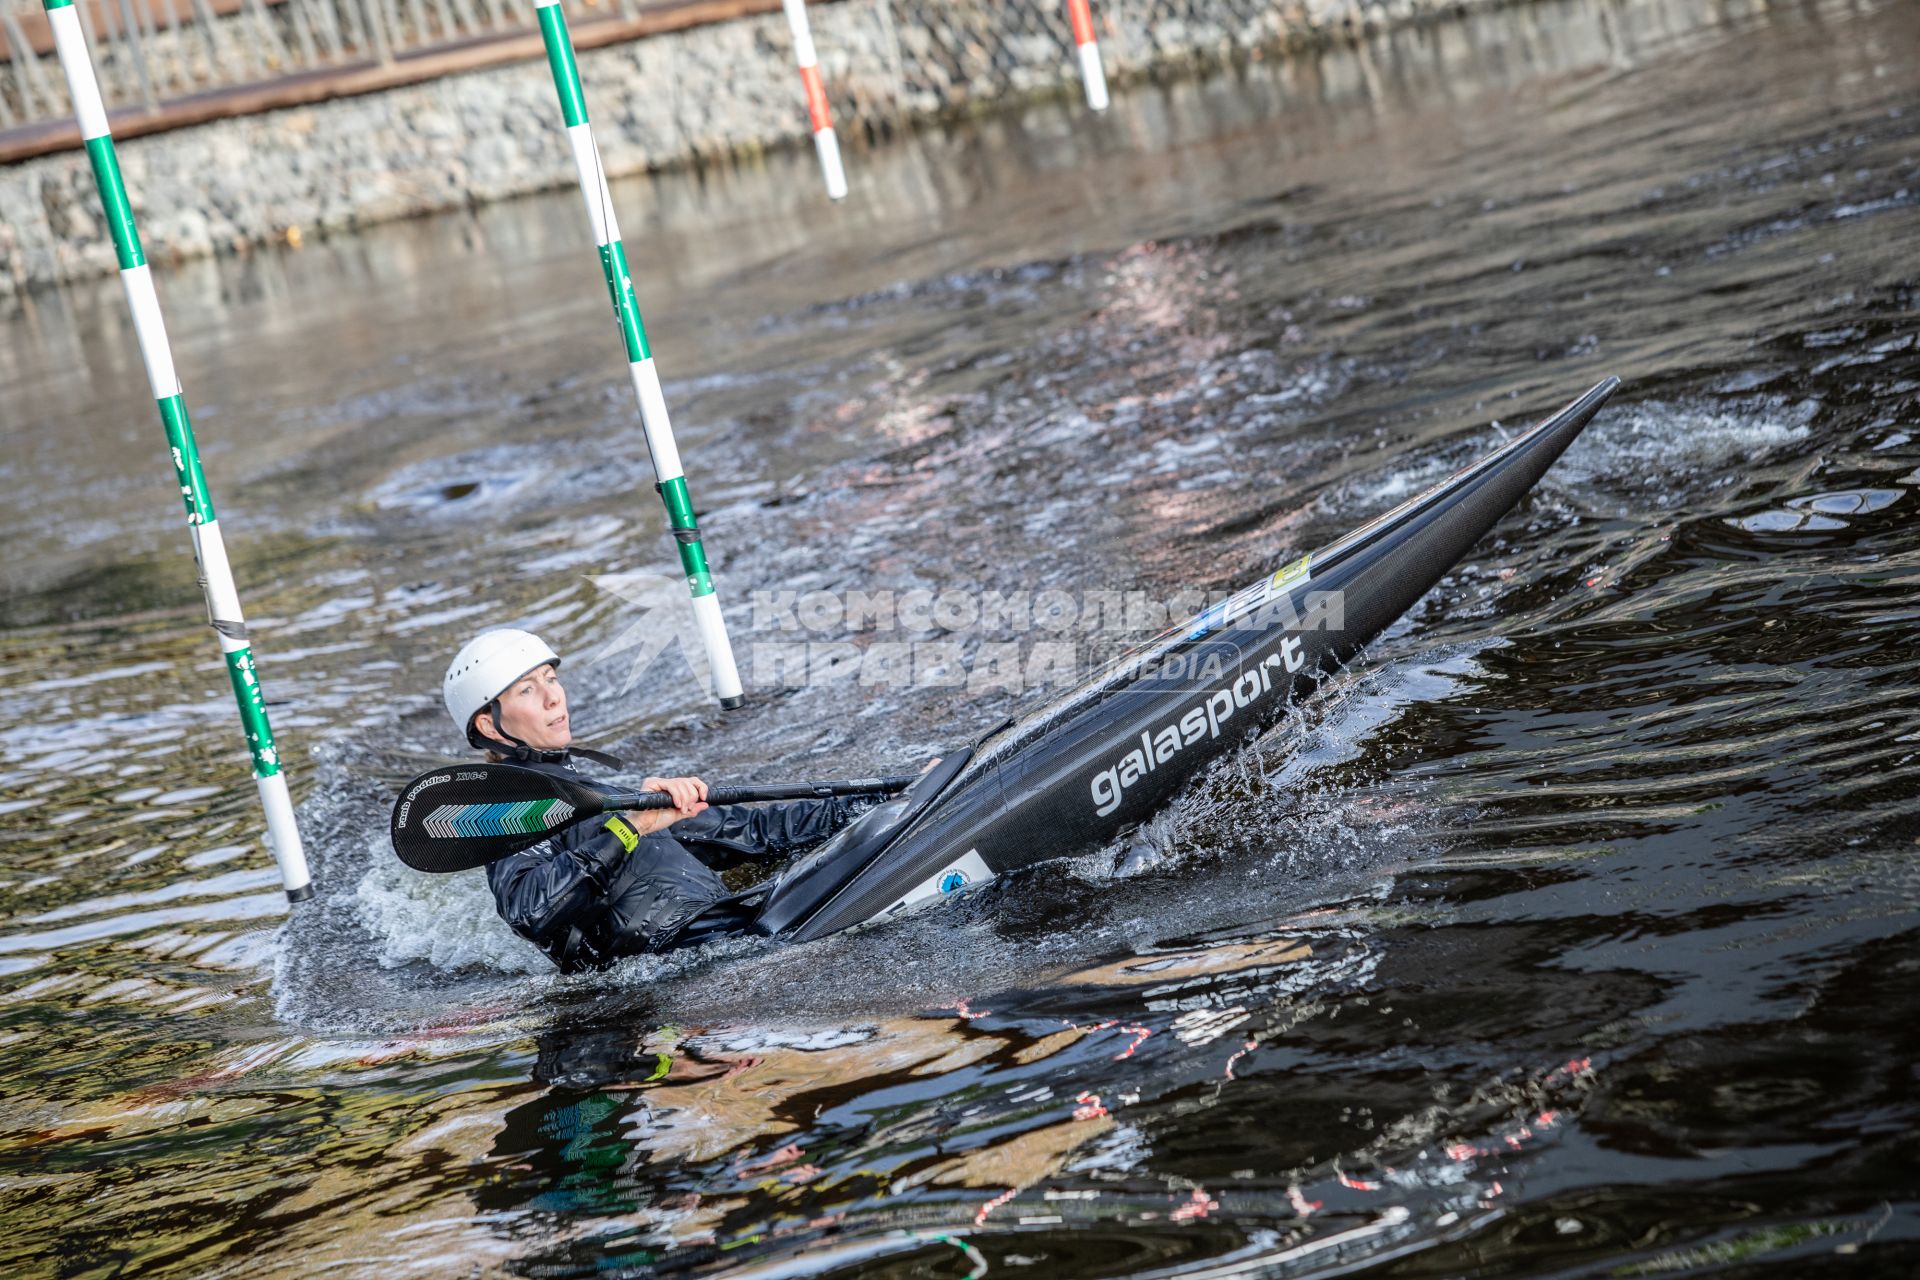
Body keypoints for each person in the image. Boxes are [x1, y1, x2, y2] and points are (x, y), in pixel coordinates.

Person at [443, 628, 881, 973]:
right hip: (680, 982)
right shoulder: (505, 810)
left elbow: (756, 832)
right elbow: (530, 910)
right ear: (491, 725)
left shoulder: (603, 798)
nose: (554, 696)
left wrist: (886, 797)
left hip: (742, 937)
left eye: (551, 679)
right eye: (527, 690)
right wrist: (630, 827)